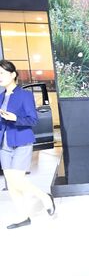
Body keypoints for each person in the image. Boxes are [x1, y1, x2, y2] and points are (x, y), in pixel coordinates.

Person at [0, 60, 55, 229]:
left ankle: (45, 197)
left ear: (13, 74)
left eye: (2, 73)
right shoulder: (0, 96)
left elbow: (33, 119)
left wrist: (14, 118)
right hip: (4, 143)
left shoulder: (25, 95)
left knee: (18, 179)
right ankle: (24, 216)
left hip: (21, 140)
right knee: (11, 183)